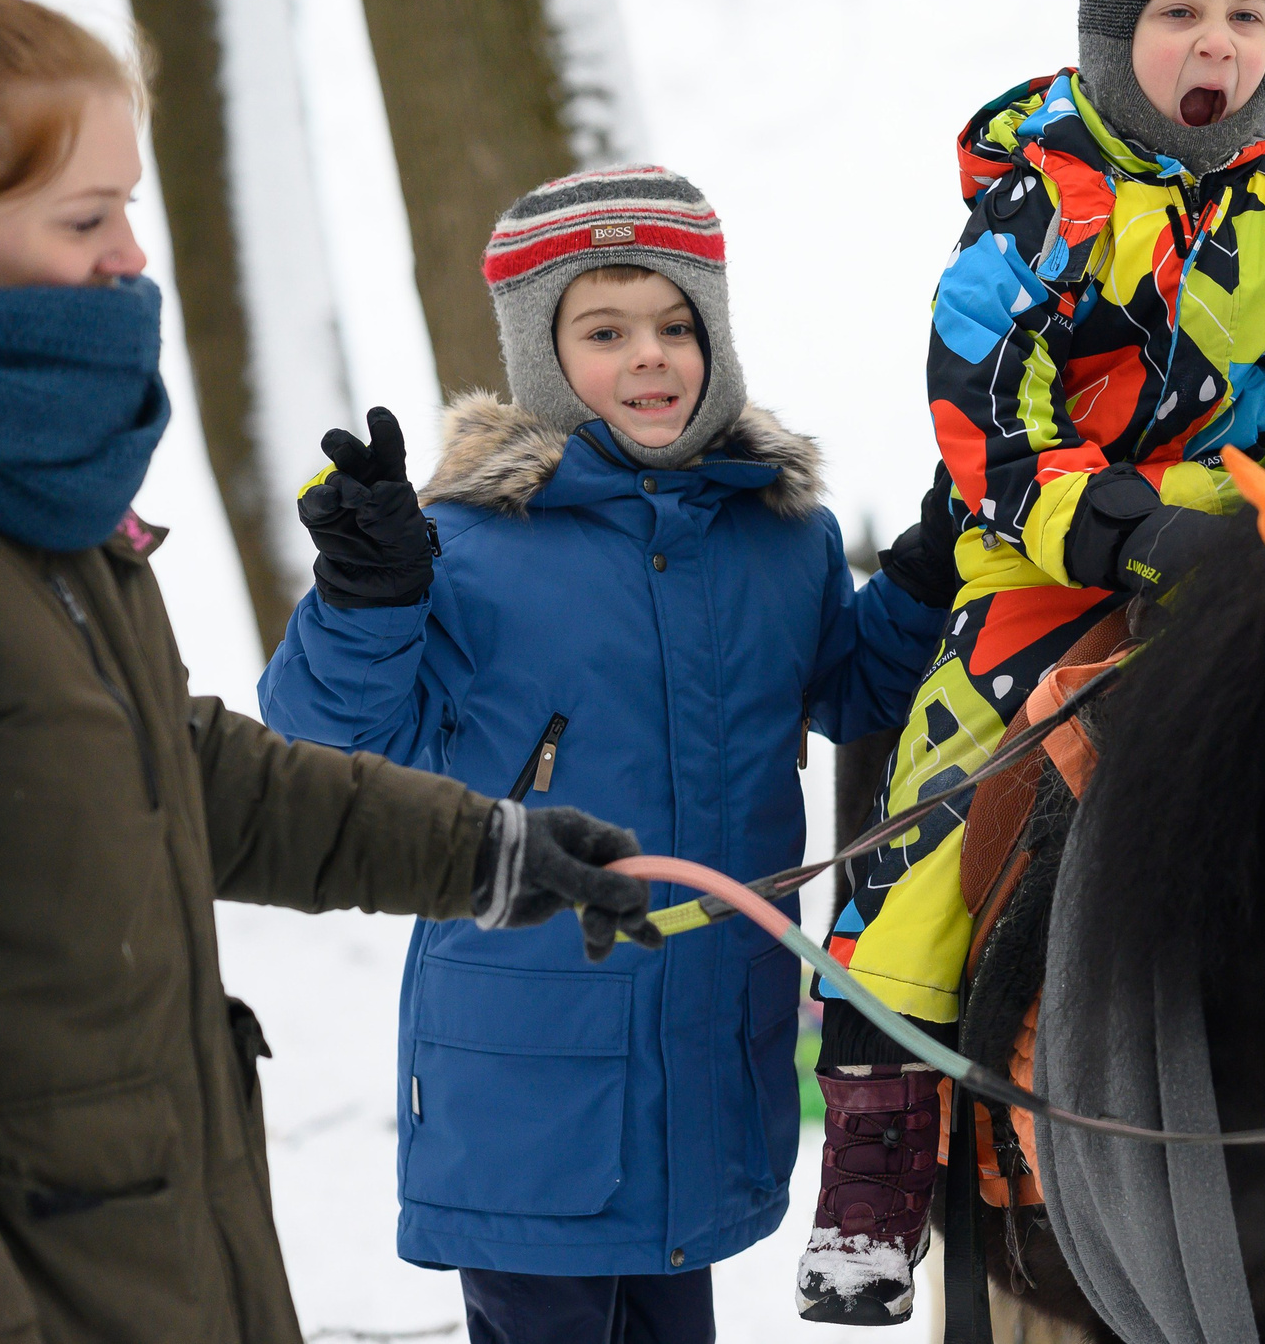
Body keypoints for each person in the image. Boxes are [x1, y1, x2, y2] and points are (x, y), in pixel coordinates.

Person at [0, 0, 660, 1341]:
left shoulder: (36, 498)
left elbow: (179, 770)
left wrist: (489, 850)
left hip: (163, 1244)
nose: (132, 253)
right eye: (84, 215)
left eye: (131, 202)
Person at [793, 0, 1265, 1323]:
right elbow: (987, 422)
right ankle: (880, 1166)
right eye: (1178, 14)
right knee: (951, 808)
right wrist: (1127, 529)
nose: (1218, 45)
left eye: (1244, 17)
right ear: (1109, 36)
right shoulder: (1038, 210)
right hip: (1060, 568)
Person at [258, 165, 954, 1344]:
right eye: (605, 329)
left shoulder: (780, 536)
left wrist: (929, 571)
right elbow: (332, 739)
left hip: (703, 1054)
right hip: (527, 1077)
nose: (650, 356)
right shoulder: (467, 544)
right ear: (541, 351)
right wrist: (367, 596)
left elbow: (856, 687)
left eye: (676, 325)